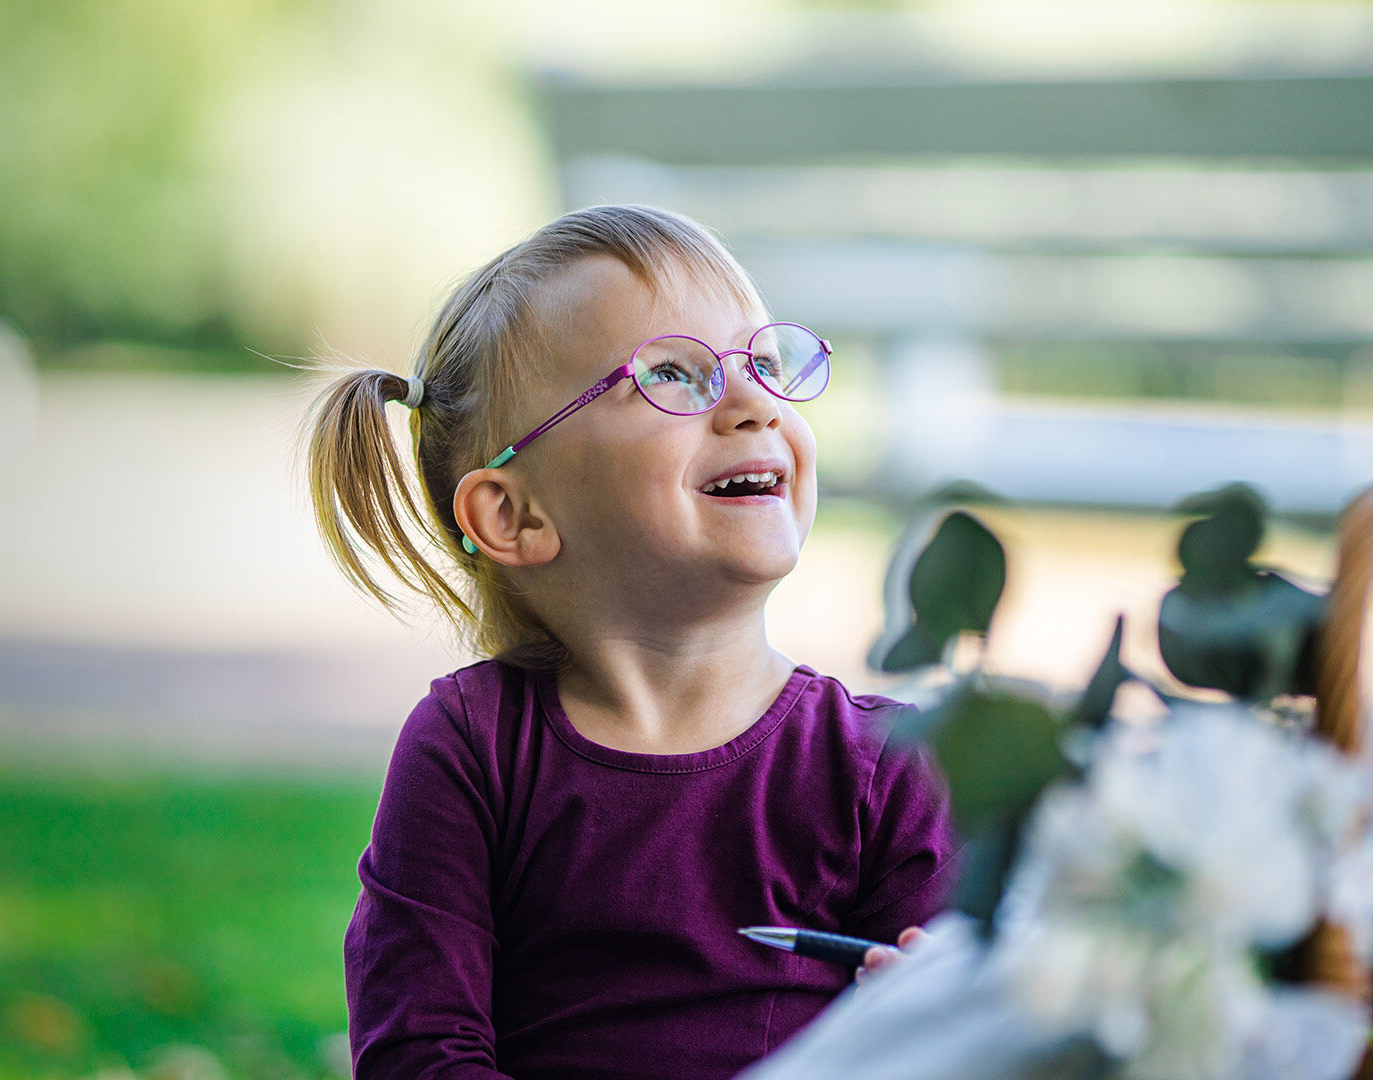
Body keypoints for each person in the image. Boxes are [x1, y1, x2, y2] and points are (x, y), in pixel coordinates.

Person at [305, 204, 956, 1080]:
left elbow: (956, 1032)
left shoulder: (885, 767)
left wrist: (935, 1017)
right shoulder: (473, 750)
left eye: (761, 362)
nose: (752, 402)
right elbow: (420, 1053)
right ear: (515, 514)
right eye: (674, 377)